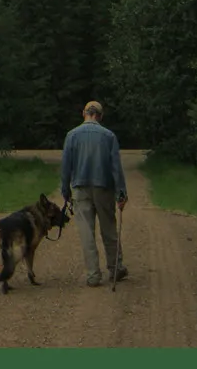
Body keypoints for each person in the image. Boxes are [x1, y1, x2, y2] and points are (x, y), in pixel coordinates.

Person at [60, 100, 128, 287]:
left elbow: (66, 167)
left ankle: (93, 275)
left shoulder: (71, 136)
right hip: (104, 188)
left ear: (84, 113)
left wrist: (65, 191)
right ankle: (115, 268)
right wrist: (121, 194)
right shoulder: (109, 136)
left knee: (86, 233)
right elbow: (116, 168)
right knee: (109, 230)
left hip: (80, 189)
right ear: (100, 115)